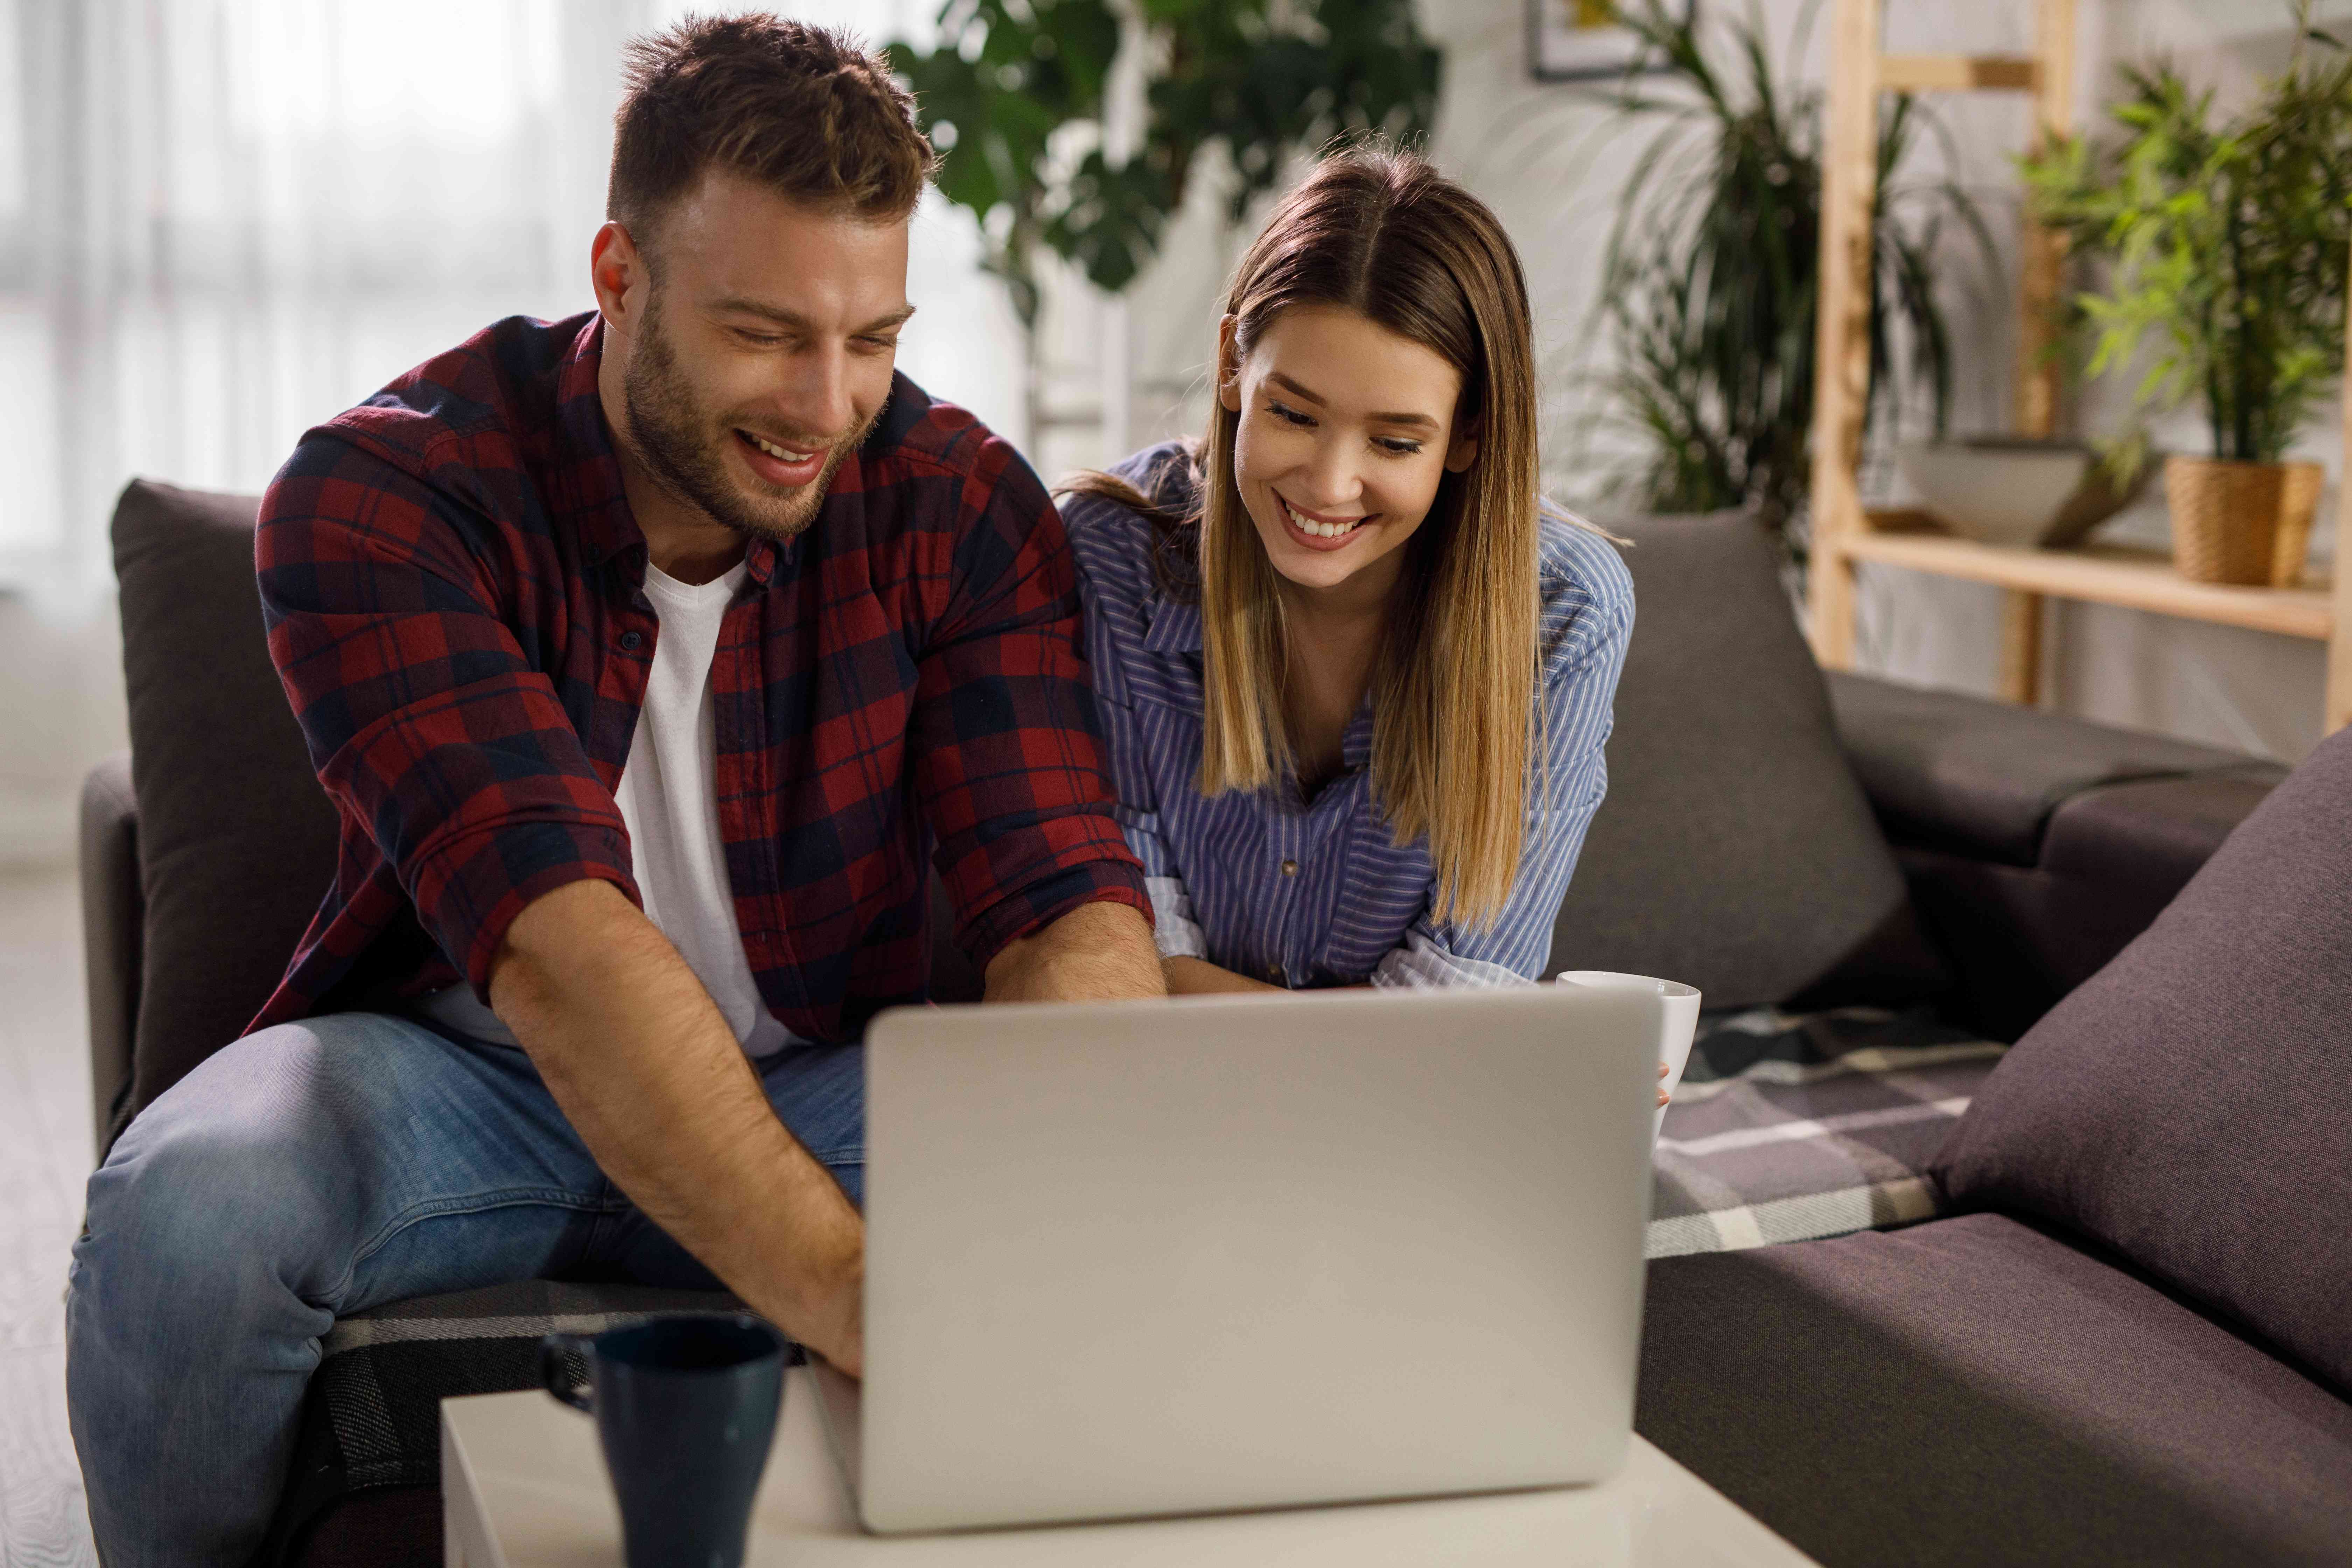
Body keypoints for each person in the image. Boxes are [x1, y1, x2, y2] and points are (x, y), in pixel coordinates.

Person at [65, 17, 1161, 1565]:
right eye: (768, 333)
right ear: (620, 276)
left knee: (1140, 1185)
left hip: (817, 1082)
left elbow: (1060, 902)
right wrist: (877, 1313)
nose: (828, 402)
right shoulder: (382, 500)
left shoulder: (963, 507)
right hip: (458, 1082)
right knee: (187, 1215)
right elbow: (564, 949)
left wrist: (1084, 1165)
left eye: (876, 339)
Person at [1060, 146, 1633, 999]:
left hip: (1404, 1123)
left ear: (1468, 436)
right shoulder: (1113, 554)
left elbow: (1459, 992)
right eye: (1292, 413)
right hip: (1178, 1097)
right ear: (1231, 367)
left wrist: (1460, 1053)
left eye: (1397, 442)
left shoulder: (1562, 610)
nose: (1329, 485)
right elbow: (1130, 959)